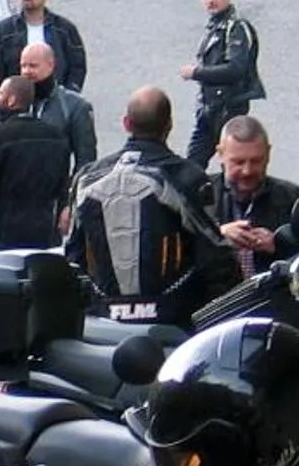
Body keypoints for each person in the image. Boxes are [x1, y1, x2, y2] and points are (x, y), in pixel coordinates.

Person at [67, 88, 238, 326]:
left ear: (126, 123)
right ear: (168, 125)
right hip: (173, 322)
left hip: (103, 322)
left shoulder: (87, 178)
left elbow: (73, 258)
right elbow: (214, 256)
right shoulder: (187, 177)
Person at [205, 116, 299, 276]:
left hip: (276, 296)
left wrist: (281, 245)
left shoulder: (293, 199)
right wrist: (217, 236)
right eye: (238, 162)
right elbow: (176, 252)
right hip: (216, 298)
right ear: (221, 155)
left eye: (256, 161)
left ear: (268, 154)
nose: (247, 171)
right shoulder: (199, 197)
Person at [0, 73, 72, 248]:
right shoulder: (56, 137)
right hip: (44, 228)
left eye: (1, 94)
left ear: (12, 100)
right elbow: (62, 182)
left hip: (3, 229)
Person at [178, 0, 265, 171]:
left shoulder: (236, 28)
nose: (211, 1)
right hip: (208, 110)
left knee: (233, 166)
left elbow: (236, 69)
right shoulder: (214, 27)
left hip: (229, 109)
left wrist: (196, 73)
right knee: (190, 169)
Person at [18, 40, 99, 183]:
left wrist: (70, 196)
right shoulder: (8, 101)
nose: (26, 71)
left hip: (55, 193)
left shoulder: (75, 106)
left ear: (51, 65)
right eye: (23, 66)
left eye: (33, 66)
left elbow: (86, 161)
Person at [6, 0, 89, 94]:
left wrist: (70, 94)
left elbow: (77, 65)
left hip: (55, 98)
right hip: (16, 99)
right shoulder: (4, 31)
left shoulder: (64, 29)